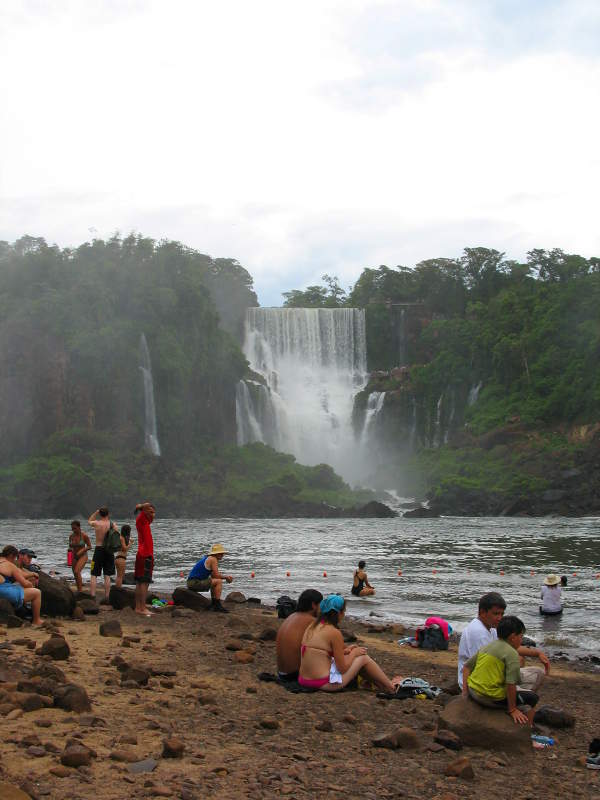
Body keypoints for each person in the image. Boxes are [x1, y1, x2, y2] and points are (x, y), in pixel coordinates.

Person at [298, 594, 402, 692]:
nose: (344, 615)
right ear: (339, 613)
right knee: (363, 657)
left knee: (354, 656)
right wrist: (354, 654)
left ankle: (380, 684)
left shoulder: (312, 626)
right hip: (323, 683)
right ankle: (391, 687)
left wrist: (346, 650)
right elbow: (342, 669)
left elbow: (322, 652)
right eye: (344, 612)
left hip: (304, 680)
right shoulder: (334, 632)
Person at [457, 592, 550, 693]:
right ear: (483, 612)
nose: (500, 618)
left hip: (482, 676)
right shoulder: (479, 633)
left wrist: (537, 653)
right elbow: (484, 665)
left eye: (502, 614)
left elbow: (508, 646)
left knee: (520, 662)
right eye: (496, 614)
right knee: (534, 673)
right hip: (479, 682)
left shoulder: (490, 627)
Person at [462, 615, 539, 726]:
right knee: (532, 698)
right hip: (489, 697)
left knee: (519, 691)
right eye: (521, 636)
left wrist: (465, 693)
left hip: (473, 692)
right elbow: (511, 684)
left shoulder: (488, 646)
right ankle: (529, 731)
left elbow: (466, 667)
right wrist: (512, 709)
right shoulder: (512, 653)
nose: (521, 640)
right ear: (513, 637)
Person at [276, 589, 323, 681]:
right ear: (314, 605)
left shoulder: (291, 617)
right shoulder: (311, 621)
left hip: (281, 674)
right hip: (294, 675)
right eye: (321, 605)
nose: (322, 609)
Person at [0, 545, 42, 626]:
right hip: (3, 591)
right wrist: (31, 585)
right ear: (12, 556)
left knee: (16, 587)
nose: (14, 560)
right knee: (37, 593)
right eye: (14, 558)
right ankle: (36, 620)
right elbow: (25, 584)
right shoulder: (10, 565)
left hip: (4, 587)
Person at [187, 544, 232, 613]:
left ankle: (214, 604)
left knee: (215, 582)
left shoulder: (209, 558)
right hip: (195, 582)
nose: (222, 555)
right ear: (216, 554)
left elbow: (213, 576)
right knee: (219, 581)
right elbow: (217, 575)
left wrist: (224, 577)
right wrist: (226, 577)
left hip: (191, 583)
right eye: (221, 553)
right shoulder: (213, 559)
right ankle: (217, 605)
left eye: (222, 553)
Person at [88, 507, 115, 598]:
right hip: (109, 550)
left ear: (100, 514)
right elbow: (116, 536)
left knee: (94, 574)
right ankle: (107, 596)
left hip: (99, 549)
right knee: (107, 574)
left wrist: (96, 512)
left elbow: (89, 520)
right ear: (108, 514)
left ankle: (92, 595)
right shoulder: (112, 524)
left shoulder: (96, 523)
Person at [134, 502, 155, 617]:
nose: (153, 514)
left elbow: (151, 515)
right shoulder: (141, 519)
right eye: (151, 512)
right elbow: (145, 505)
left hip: (142, 554)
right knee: (144, 582)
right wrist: (140, 507)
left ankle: (138, 607)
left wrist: (147, 511)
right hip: (145, 554)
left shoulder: (146, 521)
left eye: (154, 512)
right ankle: (142, 608)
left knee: (140, 581)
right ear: (145, 511)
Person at [68, 521, 91, 592]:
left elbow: (89, 546)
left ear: (79, 527)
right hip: (74, 556)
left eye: (75, 528)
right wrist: (69, 555)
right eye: (72, 529)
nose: (73, 530)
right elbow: (70, 546)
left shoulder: (84, 536)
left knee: (77, 571)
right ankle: (78, 590)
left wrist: (83, 550)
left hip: (83, 556)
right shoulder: (71, 536)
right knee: (75, 574)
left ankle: (80, 591)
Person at [115, 524, 132, 589]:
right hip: (121, 558)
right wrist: (130, 543)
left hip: (120, 558)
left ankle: (118, 588)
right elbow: (125, 548)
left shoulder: (122, 537)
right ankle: (118, 589)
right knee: (120, 576)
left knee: (119, 576)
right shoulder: (122, 538)